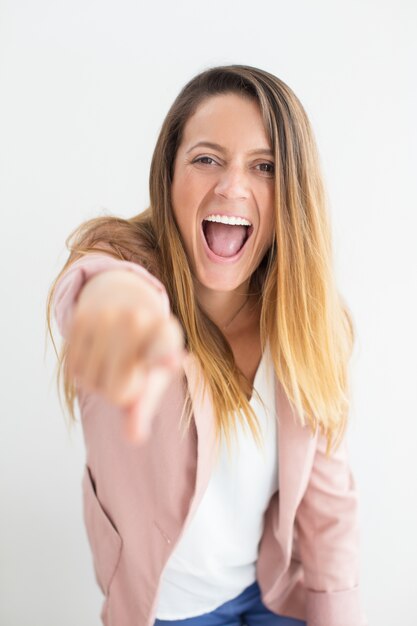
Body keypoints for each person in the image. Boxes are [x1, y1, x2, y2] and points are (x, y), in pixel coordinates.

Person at [47, 65, 367, 626]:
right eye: (206, 158)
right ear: (168, 175)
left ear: (292, 191)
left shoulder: (305, 319)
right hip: (168, 612)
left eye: (264, 166)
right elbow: (100, 284)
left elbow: (328, 505)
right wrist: (116, 308)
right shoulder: (122, 267)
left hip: (273, 594)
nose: (232, 186)